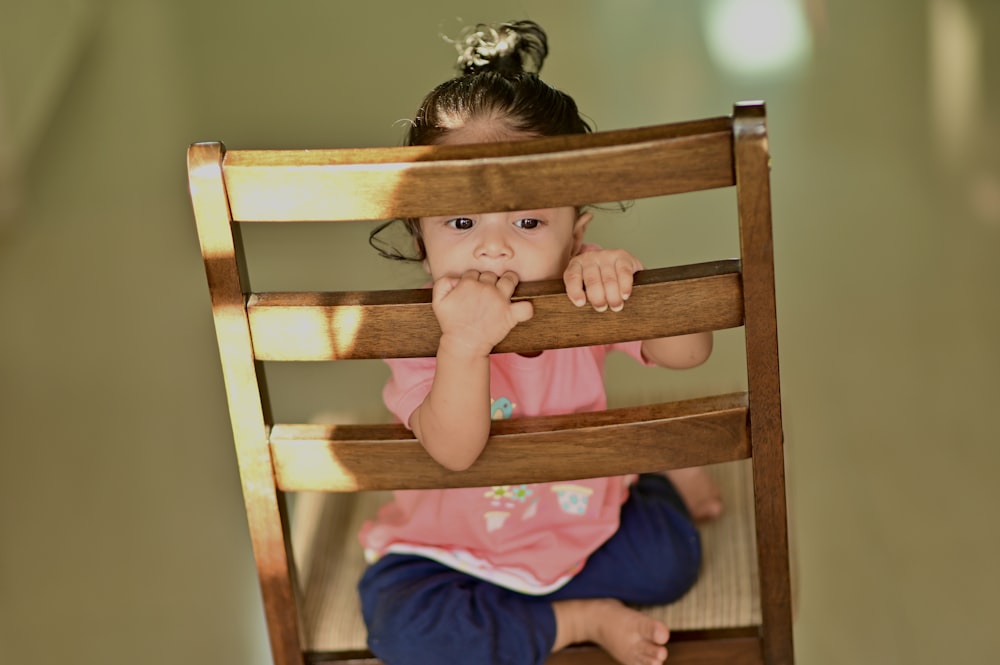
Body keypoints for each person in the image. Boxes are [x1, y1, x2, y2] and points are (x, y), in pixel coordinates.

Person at [359, 20, 720, 665]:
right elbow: (455, 450)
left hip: (579, 523)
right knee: (403, 631)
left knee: (671, 561)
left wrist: (626, 283)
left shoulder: (580, 283)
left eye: (528, 220)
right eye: (461, 221)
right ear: (421, 237)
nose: (494, 245)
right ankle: (574, 620)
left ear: (575, 234)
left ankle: (661, 482)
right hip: (454, 550)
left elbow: (688, 352)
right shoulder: (416, 329)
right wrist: (464, 346)